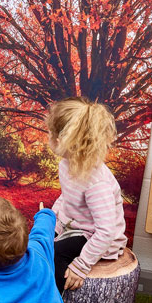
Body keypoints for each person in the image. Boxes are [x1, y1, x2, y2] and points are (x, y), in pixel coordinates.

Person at [45, 97, 127, 292]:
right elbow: (66, 197)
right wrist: (52, 221)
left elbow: (106, 231)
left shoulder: (96, 182)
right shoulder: (65, 164)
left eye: (49, 132)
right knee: (40, 244)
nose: (47, 136)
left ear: (60, 140)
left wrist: (81, 265)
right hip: (77, 227)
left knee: (57, 254)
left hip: (99, 238)